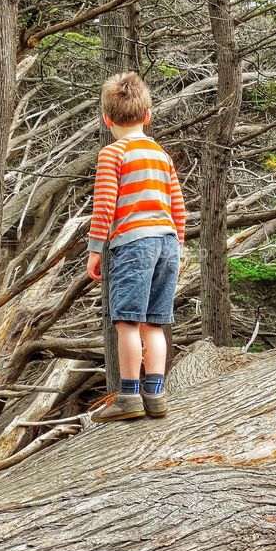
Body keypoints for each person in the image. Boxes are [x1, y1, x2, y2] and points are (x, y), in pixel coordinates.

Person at [85, 71, 186, 422]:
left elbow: (104, 206)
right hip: (168, 243)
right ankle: (155, 394)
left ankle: (128, 396)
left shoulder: (113, 154)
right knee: (154, 324)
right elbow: (178, 208)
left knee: (127, 321)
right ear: (148, 116)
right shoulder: (161, 155)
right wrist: (179, 247)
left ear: (106, 118)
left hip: (134, 243)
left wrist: (95, 249)